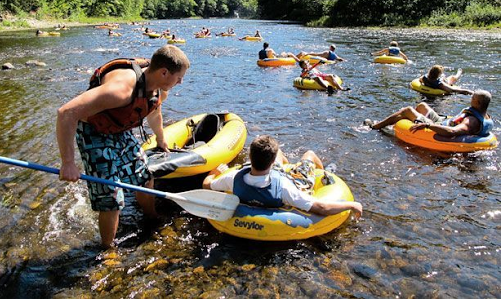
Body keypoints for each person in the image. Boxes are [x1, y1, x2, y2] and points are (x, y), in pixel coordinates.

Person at [56, 45, 190, 248]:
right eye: (179, 77)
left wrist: (161, 139)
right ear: (164, 72)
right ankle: (108, 248)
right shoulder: (120, 90)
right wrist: (68, 163)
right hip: (93, 131)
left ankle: (152, 218)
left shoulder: (158, 89)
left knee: (145, 177)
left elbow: (154, 112)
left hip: (118, 128)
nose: (180, 82)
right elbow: (66, 113)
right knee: (111, 196)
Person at [202, 135, 362, 218]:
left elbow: (206, 185)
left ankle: (286, 165)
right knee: (309, 154)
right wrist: (351, 205)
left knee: (278, 153)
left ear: (249, 157)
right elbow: (321, 208)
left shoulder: (233, 178)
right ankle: (321, 173)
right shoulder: (285, 188)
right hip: (291, 182)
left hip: (267, 175)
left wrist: (215, 171)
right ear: (271, 163)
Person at [364, 90, 493, 138]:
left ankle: (375, 126)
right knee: (422, 106)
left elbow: (452, 132)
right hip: (443, 120)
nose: (470, 101)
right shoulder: (485, 115)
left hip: (437, 125)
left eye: (472, 99)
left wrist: (427, 126)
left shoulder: (471, 121)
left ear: (478, 102)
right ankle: (407, 120)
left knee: (407, 110)